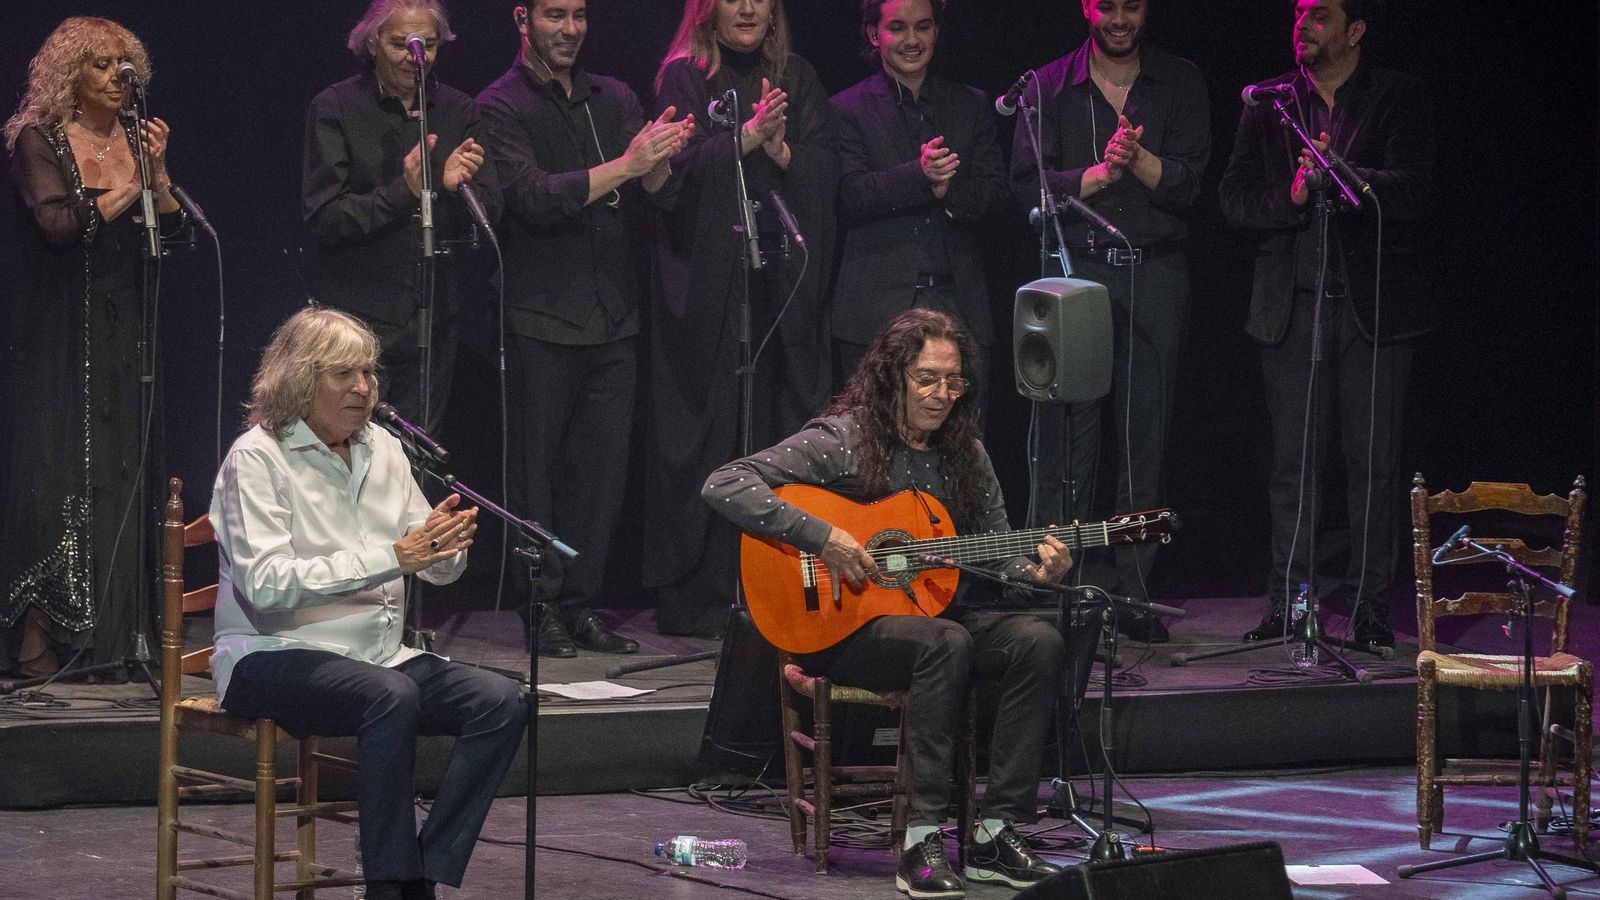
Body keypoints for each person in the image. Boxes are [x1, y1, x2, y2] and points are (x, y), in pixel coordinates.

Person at [704, 310, 1069, 898]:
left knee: (1037, 640)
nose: (942, 394)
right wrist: (822, 536)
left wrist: (1040, 570)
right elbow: (726, 482)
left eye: (954, 382)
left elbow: (1001, 561)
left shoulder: (966, 457)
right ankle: (920, 843)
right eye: (927, 378)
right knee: (944, 643)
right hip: (843, 629)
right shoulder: (844, 439)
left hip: (931, 619)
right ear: (892, 377)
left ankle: (998, 833)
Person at [211, 308, 523, 900]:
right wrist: (394, 557)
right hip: (271, 654)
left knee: (500, 701)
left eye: (370, 373)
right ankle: (390, 884)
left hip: (379, 657)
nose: (364, 388)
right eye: (344, 375)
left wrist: (442, 548)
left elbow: (424, 560)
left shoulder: (383, 448)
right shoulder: (257, 457)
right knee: (389, 695)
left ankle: (423, 867)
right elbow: (267, 583)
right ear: (301, 380)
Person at [476, 0, 695, 658]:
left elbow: (660, 190)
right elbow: (535, 199)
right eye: (554, 16)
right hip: (541, 316)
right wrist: (631, 164)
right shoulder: (499, 105)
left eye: (578, 16)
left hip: (614, 318)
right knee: (537, 478)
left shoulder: (615, 95)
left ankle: (582, 602)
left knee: (601, 479)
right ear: (523, 20)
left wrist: (660, 158)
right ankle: (537, 605)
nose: (569, 29)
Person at [1219, 0, 1434, 649]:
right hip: (1293, 306)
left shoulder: (1398, 94)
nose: (1303, 24)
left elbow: (1415, 190)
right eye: (1299, 13)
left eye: (1320, 14)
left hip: (1373, 311)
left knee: (1372, 465)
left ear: (1356, 30)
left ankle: (1370, 608)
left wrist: (1343, 173)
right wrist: (1292, 197)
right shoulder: (1268, 101)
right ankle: (1289, 602)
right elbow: (1232, 199)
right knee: (1294, 466)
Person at [1009, 0, 1209, 643]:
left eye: (1132, 5)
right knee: (1066, 443)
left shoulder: (1180, 81)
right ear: (1085, 7)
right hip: (1077, 275)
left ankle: (1133, 597)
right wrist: (1094, 176)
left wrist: (1140, 162)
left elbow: (1193, 182)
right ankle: (1058, 590)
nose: (1120, 18)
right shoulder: (1045, 87)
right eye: (1108, 5)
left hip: (1153, 274)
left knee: (1141, 440)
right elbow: (1024, 186)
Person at [647, 0, 837, 637]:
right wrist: (745, 139)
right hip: (710, 291)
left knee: (780, 433)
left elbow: (827, 169)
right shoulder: (684, 76)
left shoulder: (799, 75)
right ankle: (707, 596)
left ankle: (777, 589)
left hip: (778, 282)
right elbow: (669, 178)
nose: (749, 7)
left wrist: (781, 154)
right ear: (707, 9)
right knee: (715, 431)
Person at [2, 17, 184, 676]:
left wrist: (158, 181)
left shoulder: (139, 141)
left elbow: (178, 236)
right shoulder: (37, 140)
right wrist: (128, 190)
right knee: (58, 479)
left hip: (125, 329)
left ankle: (113, 640)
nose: (117, 78)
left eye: (124, 66)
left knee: (118, 472)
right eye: (102, 65)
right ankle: (42, 638)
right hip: (58, 334)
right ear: (69, 75)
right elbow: (55, 224)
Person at [303, 0, 499, 434]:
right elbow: (326, 217)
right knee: (353, 450)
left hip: (434, 316)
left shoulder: (458, 109)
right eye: (401, 44)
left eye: (428, 45)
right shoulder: (336, 106)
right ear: (372, 43)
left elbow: (490, 209)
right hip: (359, 322)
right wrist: (404, 192)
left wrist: (453, 190)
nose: (417, 57)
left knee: (419, 455)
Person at [829, 0, 1010, 390]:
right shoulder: (845, 109)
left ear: (936, 32)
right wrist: (919, 175)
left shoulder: (971, 104)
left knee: (962, 442)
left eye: (923, 27)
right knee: (871, 442)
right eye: (897, 28)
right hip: (874, 309)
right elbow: (847, 195)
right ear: (874, 35)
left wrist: (948, 190)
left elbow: (998, 194)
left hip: (959, 305)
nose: (912, 40)